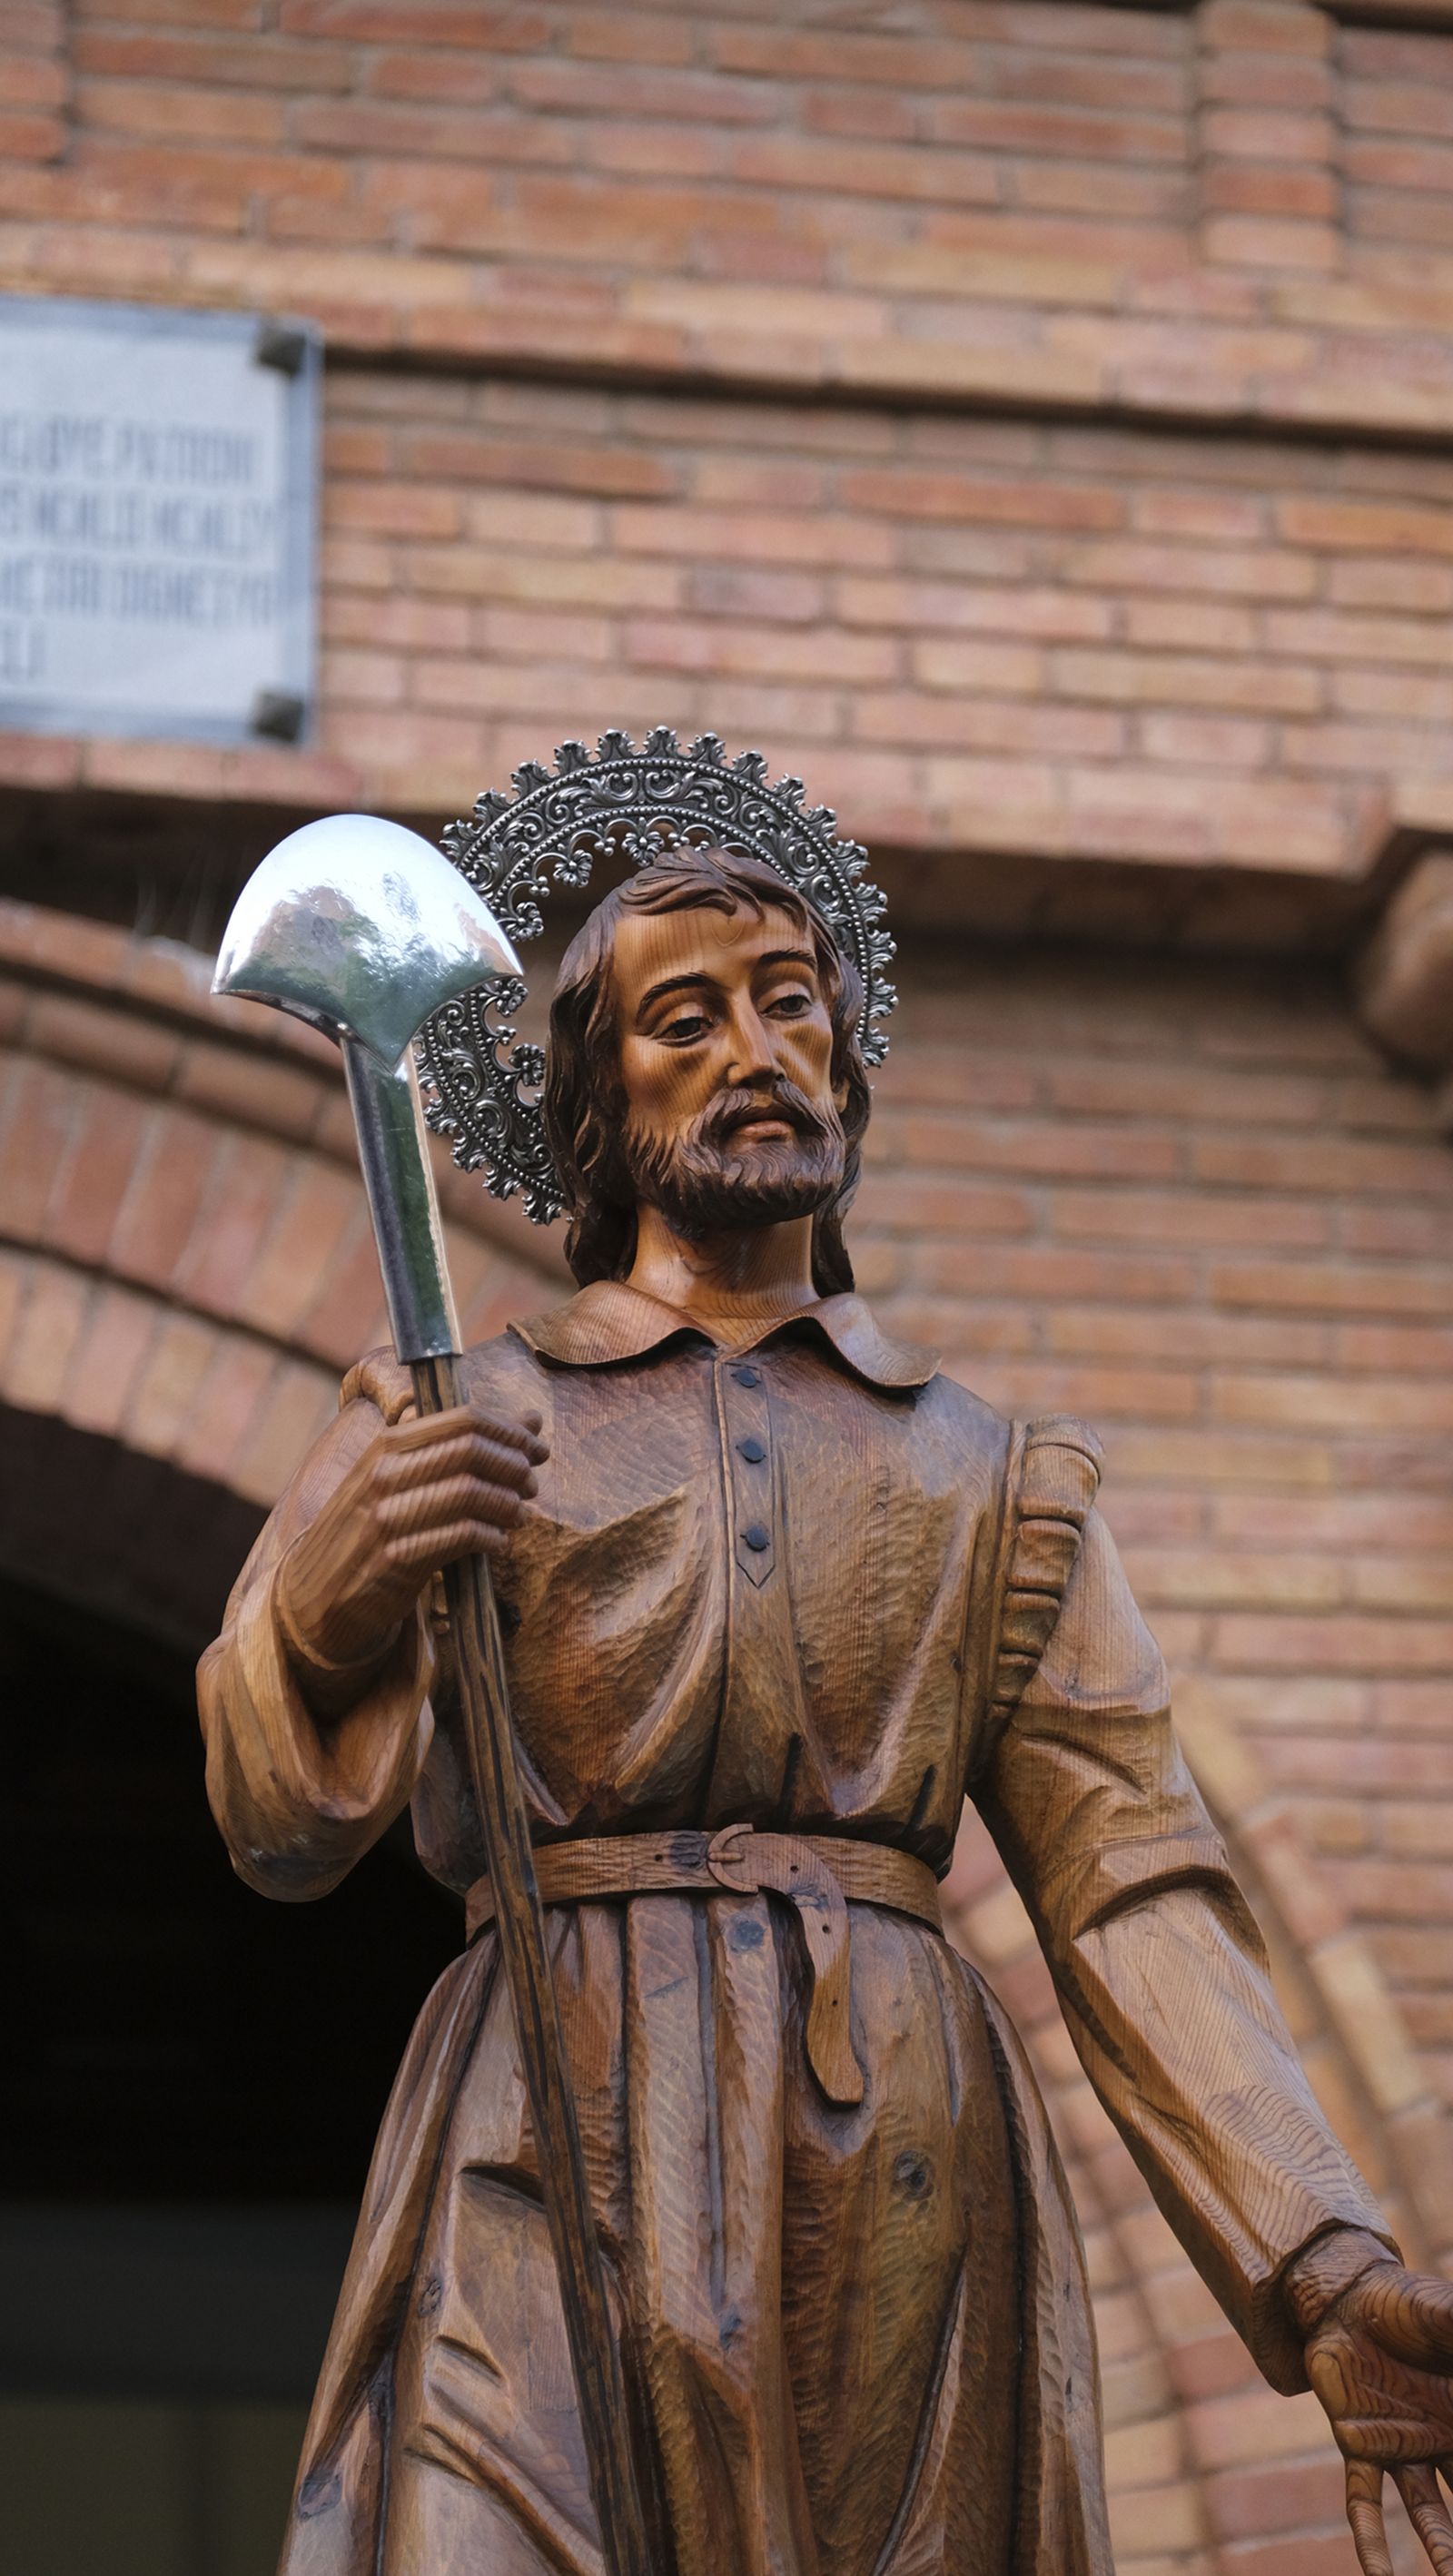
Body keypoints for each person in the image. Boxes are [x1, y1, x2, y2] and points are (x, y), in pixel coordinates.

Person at [200, 844, 1453, 2576]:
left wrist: (1320, 2255)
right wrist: (346, 1574)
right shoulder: (456, 1410)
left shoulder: (988, 1476)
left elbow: (1132, 1871)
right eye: (686, 1019)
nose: (753, 1051)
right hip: (547, 2146)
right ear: (595, 1101)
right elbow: (272, 1810)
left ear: (850, 1056)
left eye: (791, 1003)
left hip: (891, 2190)